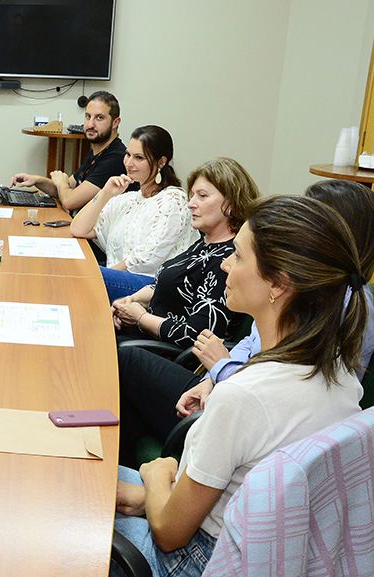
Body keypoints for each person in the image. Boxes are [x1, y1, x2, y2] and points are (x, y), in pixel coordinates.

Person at [112, 195, 367, 577]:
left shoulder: (242, 395)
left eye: (239, 256)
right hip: (264, 545)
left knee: (68, 495)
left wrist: (155, 473)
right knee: (109, 486)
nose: (226, 264)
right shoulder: (341, 373)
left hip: (195, 560)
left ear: (278, 285)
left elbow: (168, 534)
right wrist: (154, 495)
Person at [115, 178, 374, 467]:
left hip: (245, 406)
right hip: (230, 387)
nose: (228, 264)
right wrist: (211, 379)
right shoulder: (299, 294)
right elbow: (251, 344)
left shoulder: (332, 303)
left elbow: (282, 400)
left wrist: (222, 371)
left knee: (124, 359)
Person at [110, 158, 259, 347]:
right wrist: (130, 300)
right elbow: (165, 286)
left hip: (166, 352)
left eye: (202, 196)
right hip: (146, 334)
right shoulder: (204, 242)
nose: (191, 204)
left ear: (230, 203)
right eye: (193, 195)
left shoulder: (228, 260)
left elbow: (196, 336)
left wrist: (140, 317)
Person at [70, 125, 198, 302]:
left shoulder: (173, 200)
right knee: (72, 270)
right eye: (128, 154)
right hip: (116, 278)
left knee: (79, 276)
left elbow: (146, 260)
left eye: (139, 158)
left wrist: (99, 275)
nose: (129, 163)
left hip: (153, 288)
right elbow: (78, 229)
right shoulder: (127, 199)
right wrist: (105, 192)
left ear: (161, 162)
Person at [10, 90, 126, 212]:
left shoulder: (116, 158)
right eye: (88, 116)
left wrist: (61, 183)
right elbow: (66, 189)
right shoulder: (97, 151)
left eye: (99, 118)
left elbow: (69, 201)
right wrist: (37, 180)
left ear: (115, 123)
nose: (90, 124)